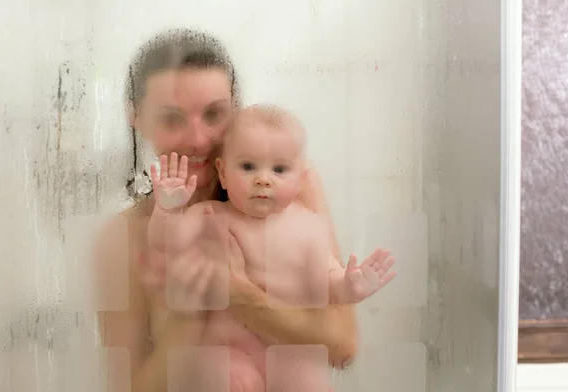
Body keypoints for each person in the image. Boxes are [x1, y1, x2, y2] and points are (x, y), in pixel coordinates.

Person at [93, 28, 360, 392]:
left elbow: (342, 347)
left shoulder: (289, 191)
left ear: (235, 107)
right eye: (172, 118)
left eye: (214, 114)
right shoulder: (123, 237)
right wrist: (185, 325)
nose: (199, 139)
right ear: (135, 117)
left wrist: (234, 291)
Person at [145, 104, 397, 391]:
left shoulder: (308, 225)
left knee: (311, 383)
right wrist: (168, 211)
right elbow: (167, 243)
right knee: (232, 379)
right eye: (248, 166)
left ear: (300, 177)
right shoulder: (211, 215)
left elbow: (328, 279)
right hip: (230, 349)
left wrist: (350, 286)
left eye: (279, 169)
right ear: (223, 172)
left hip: (290, 349)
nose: (263, 179)